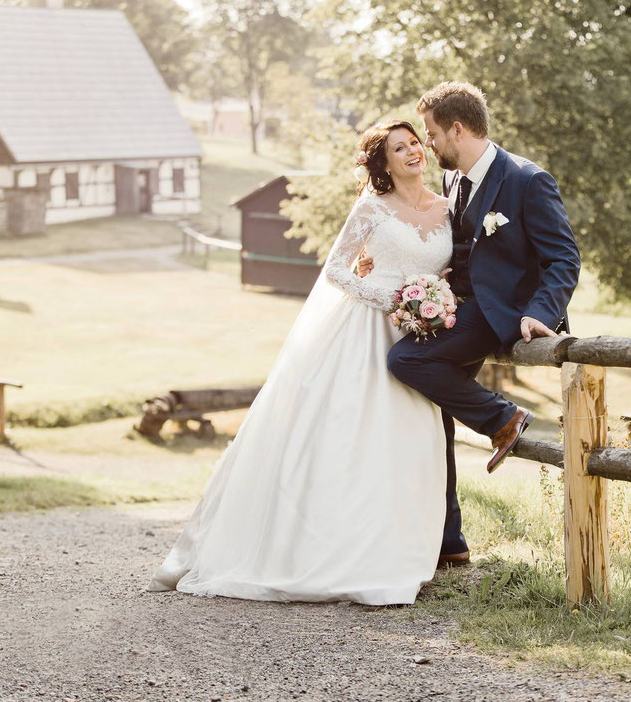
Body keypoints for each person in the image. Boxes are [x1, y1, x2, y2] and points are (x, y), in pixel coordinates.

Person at [146, 120, 453, 606]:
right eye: (399, 147)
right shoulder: (372, 208)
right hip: (366, 332)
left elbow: (448, 267)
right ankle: (331, 553)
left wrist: (433, 297)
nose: (413, 151)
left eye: (415, 142)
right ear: (384, 163)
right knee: (350, 437)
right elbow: (337, 271)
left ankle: (397, 552)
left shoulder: (445, 206)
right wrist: (396, 296)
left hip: (418, 339)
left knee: (409, 439)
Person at [364, 81, 581, 566]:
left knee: (406, 360)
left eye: (432, 133)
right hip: (457, 307)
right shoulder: (453, 180)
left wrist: (540, 313)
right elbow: (462, 248)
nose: (428, 144)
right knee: (435, 412)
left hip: (500, 314)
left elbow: (564, 257)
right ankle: (450, 542)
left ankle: (503, 418)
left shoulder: (527, 180)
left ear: (457, 129)